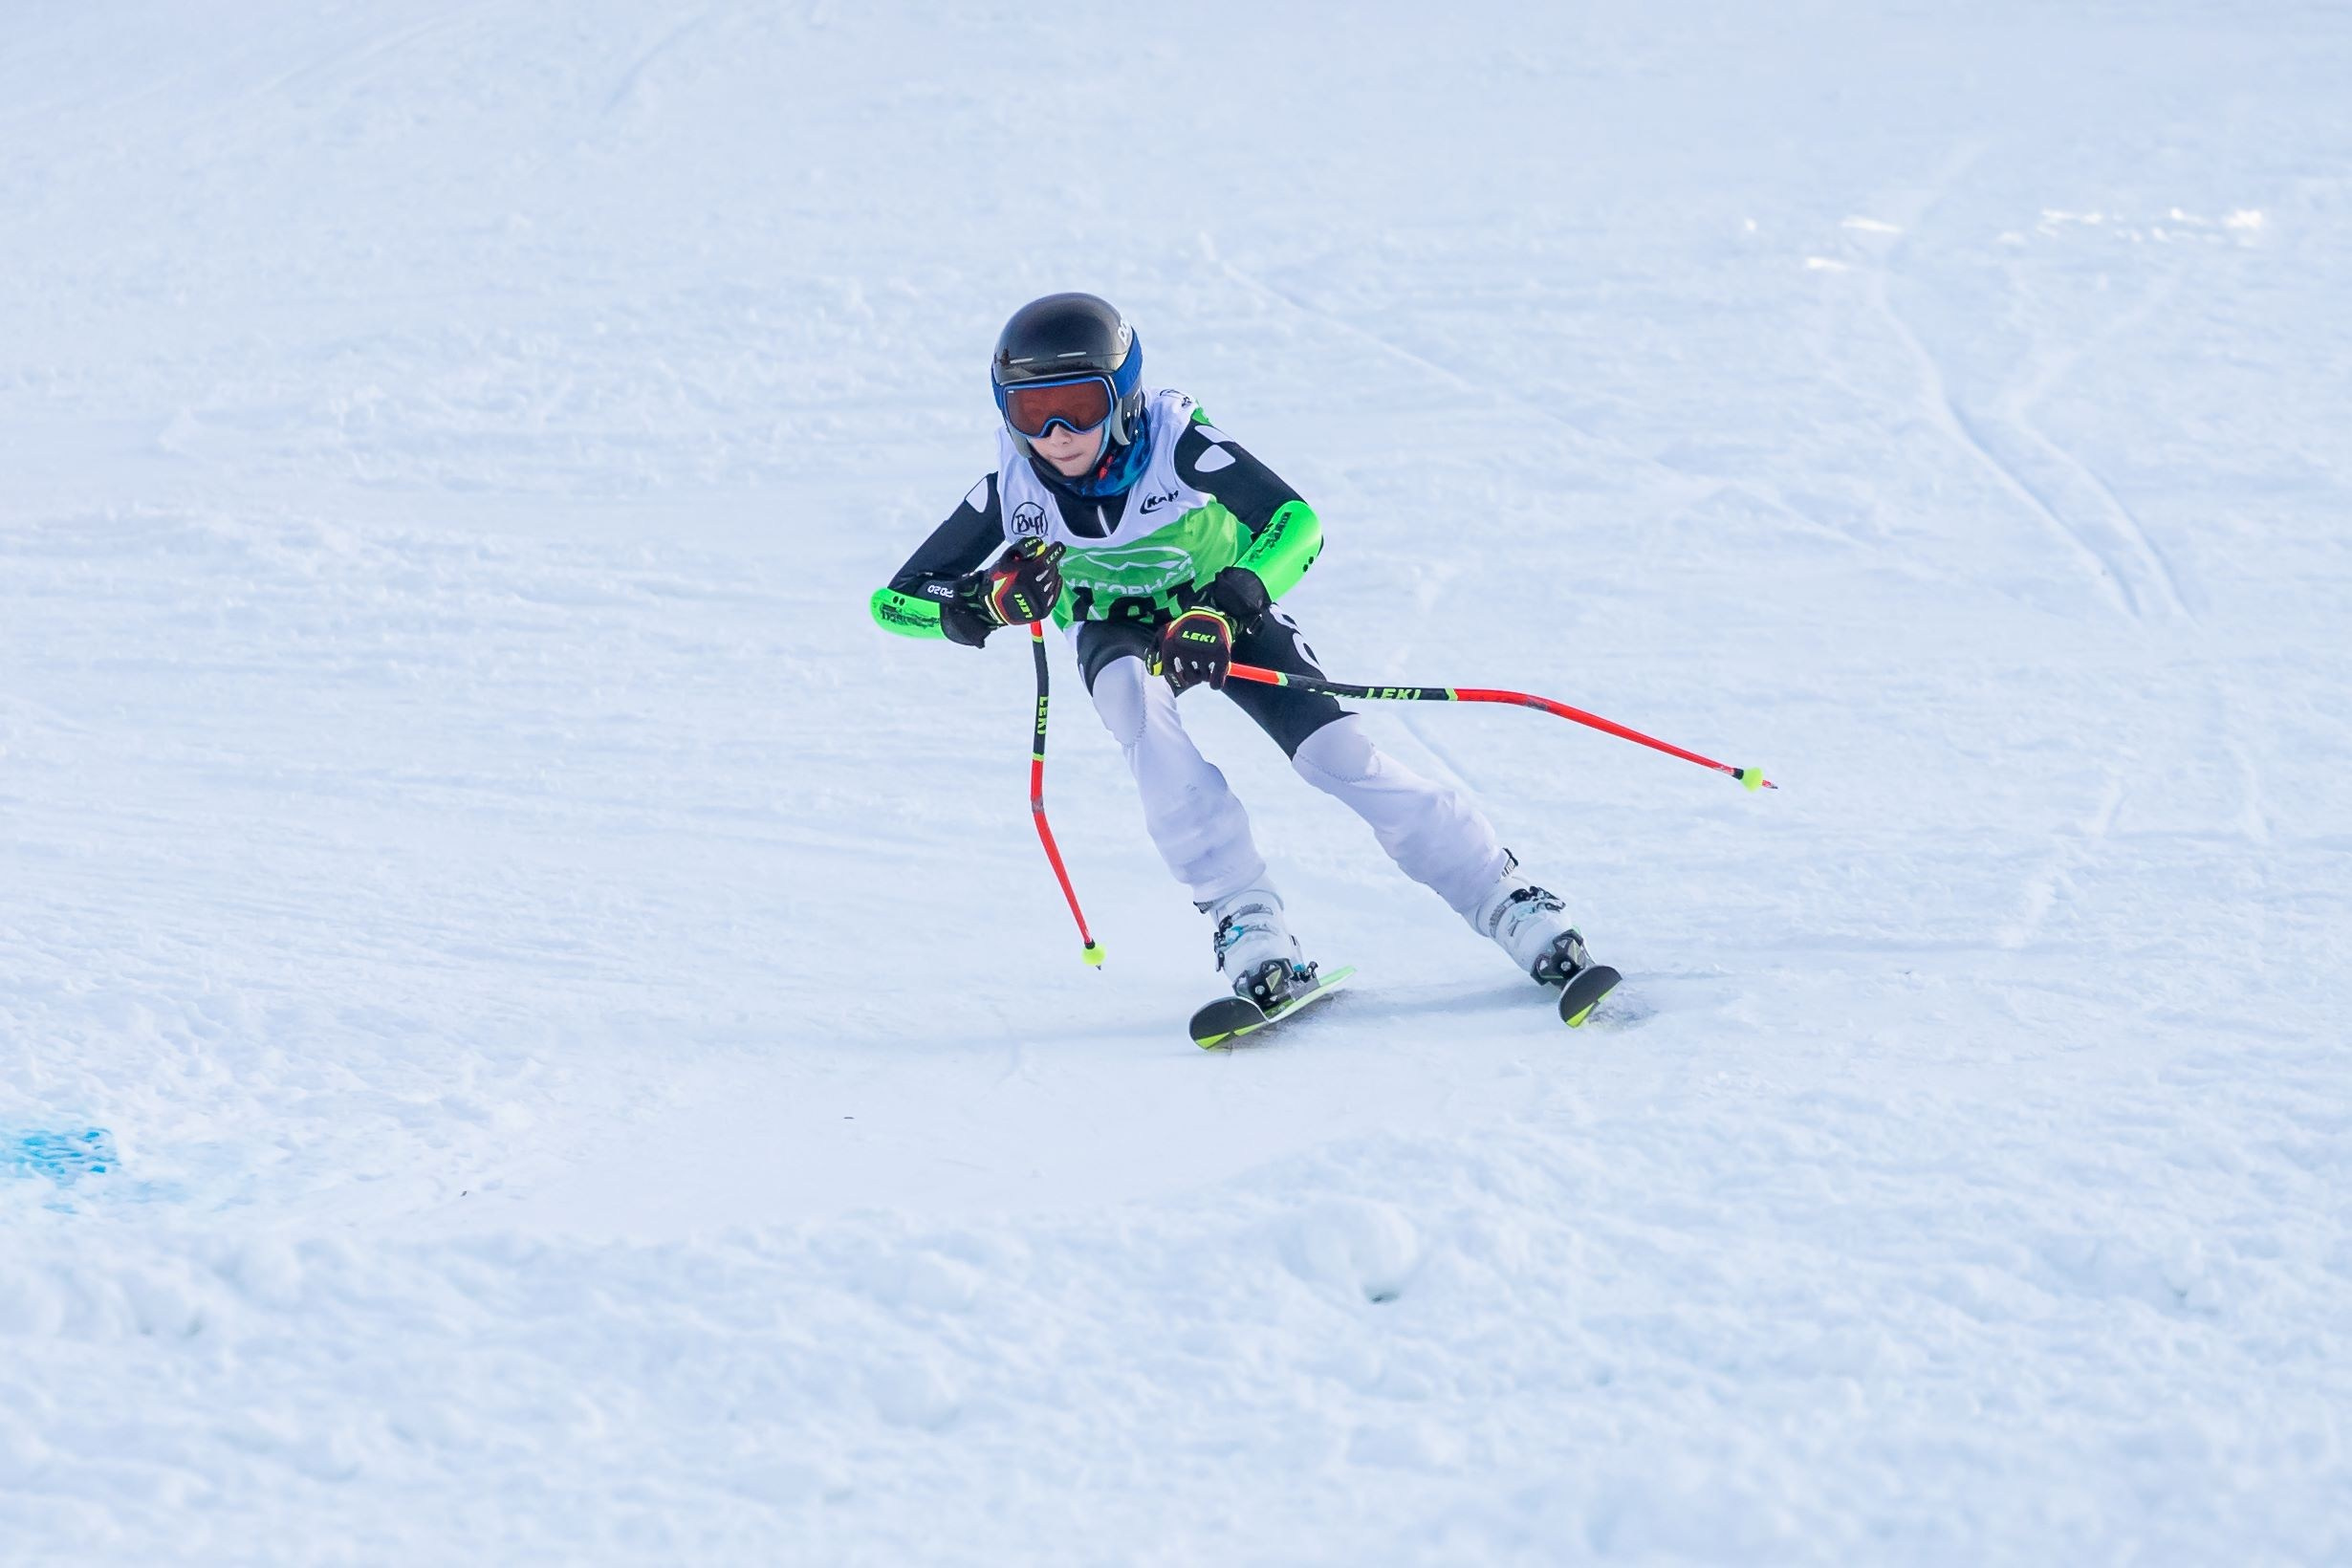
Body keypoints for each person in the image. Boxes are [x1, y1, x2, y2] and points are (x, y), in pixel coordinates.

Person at [869, 292, 1612, 1016]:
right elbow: (895, 600)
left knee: (1338, 756)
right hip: (1116, 626)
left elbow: (1297, 522)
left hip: (1218, 612)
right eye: (1030, 412)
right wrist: (983, 603)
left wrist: (1229, 603)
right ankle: (1245, 919)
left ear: (1124, 398)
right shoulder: (1014, 483)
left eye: (1082, 407)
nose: (1057, 435)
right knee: (1133, 702)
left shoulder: (1175, 440)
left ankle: (1502, 895)